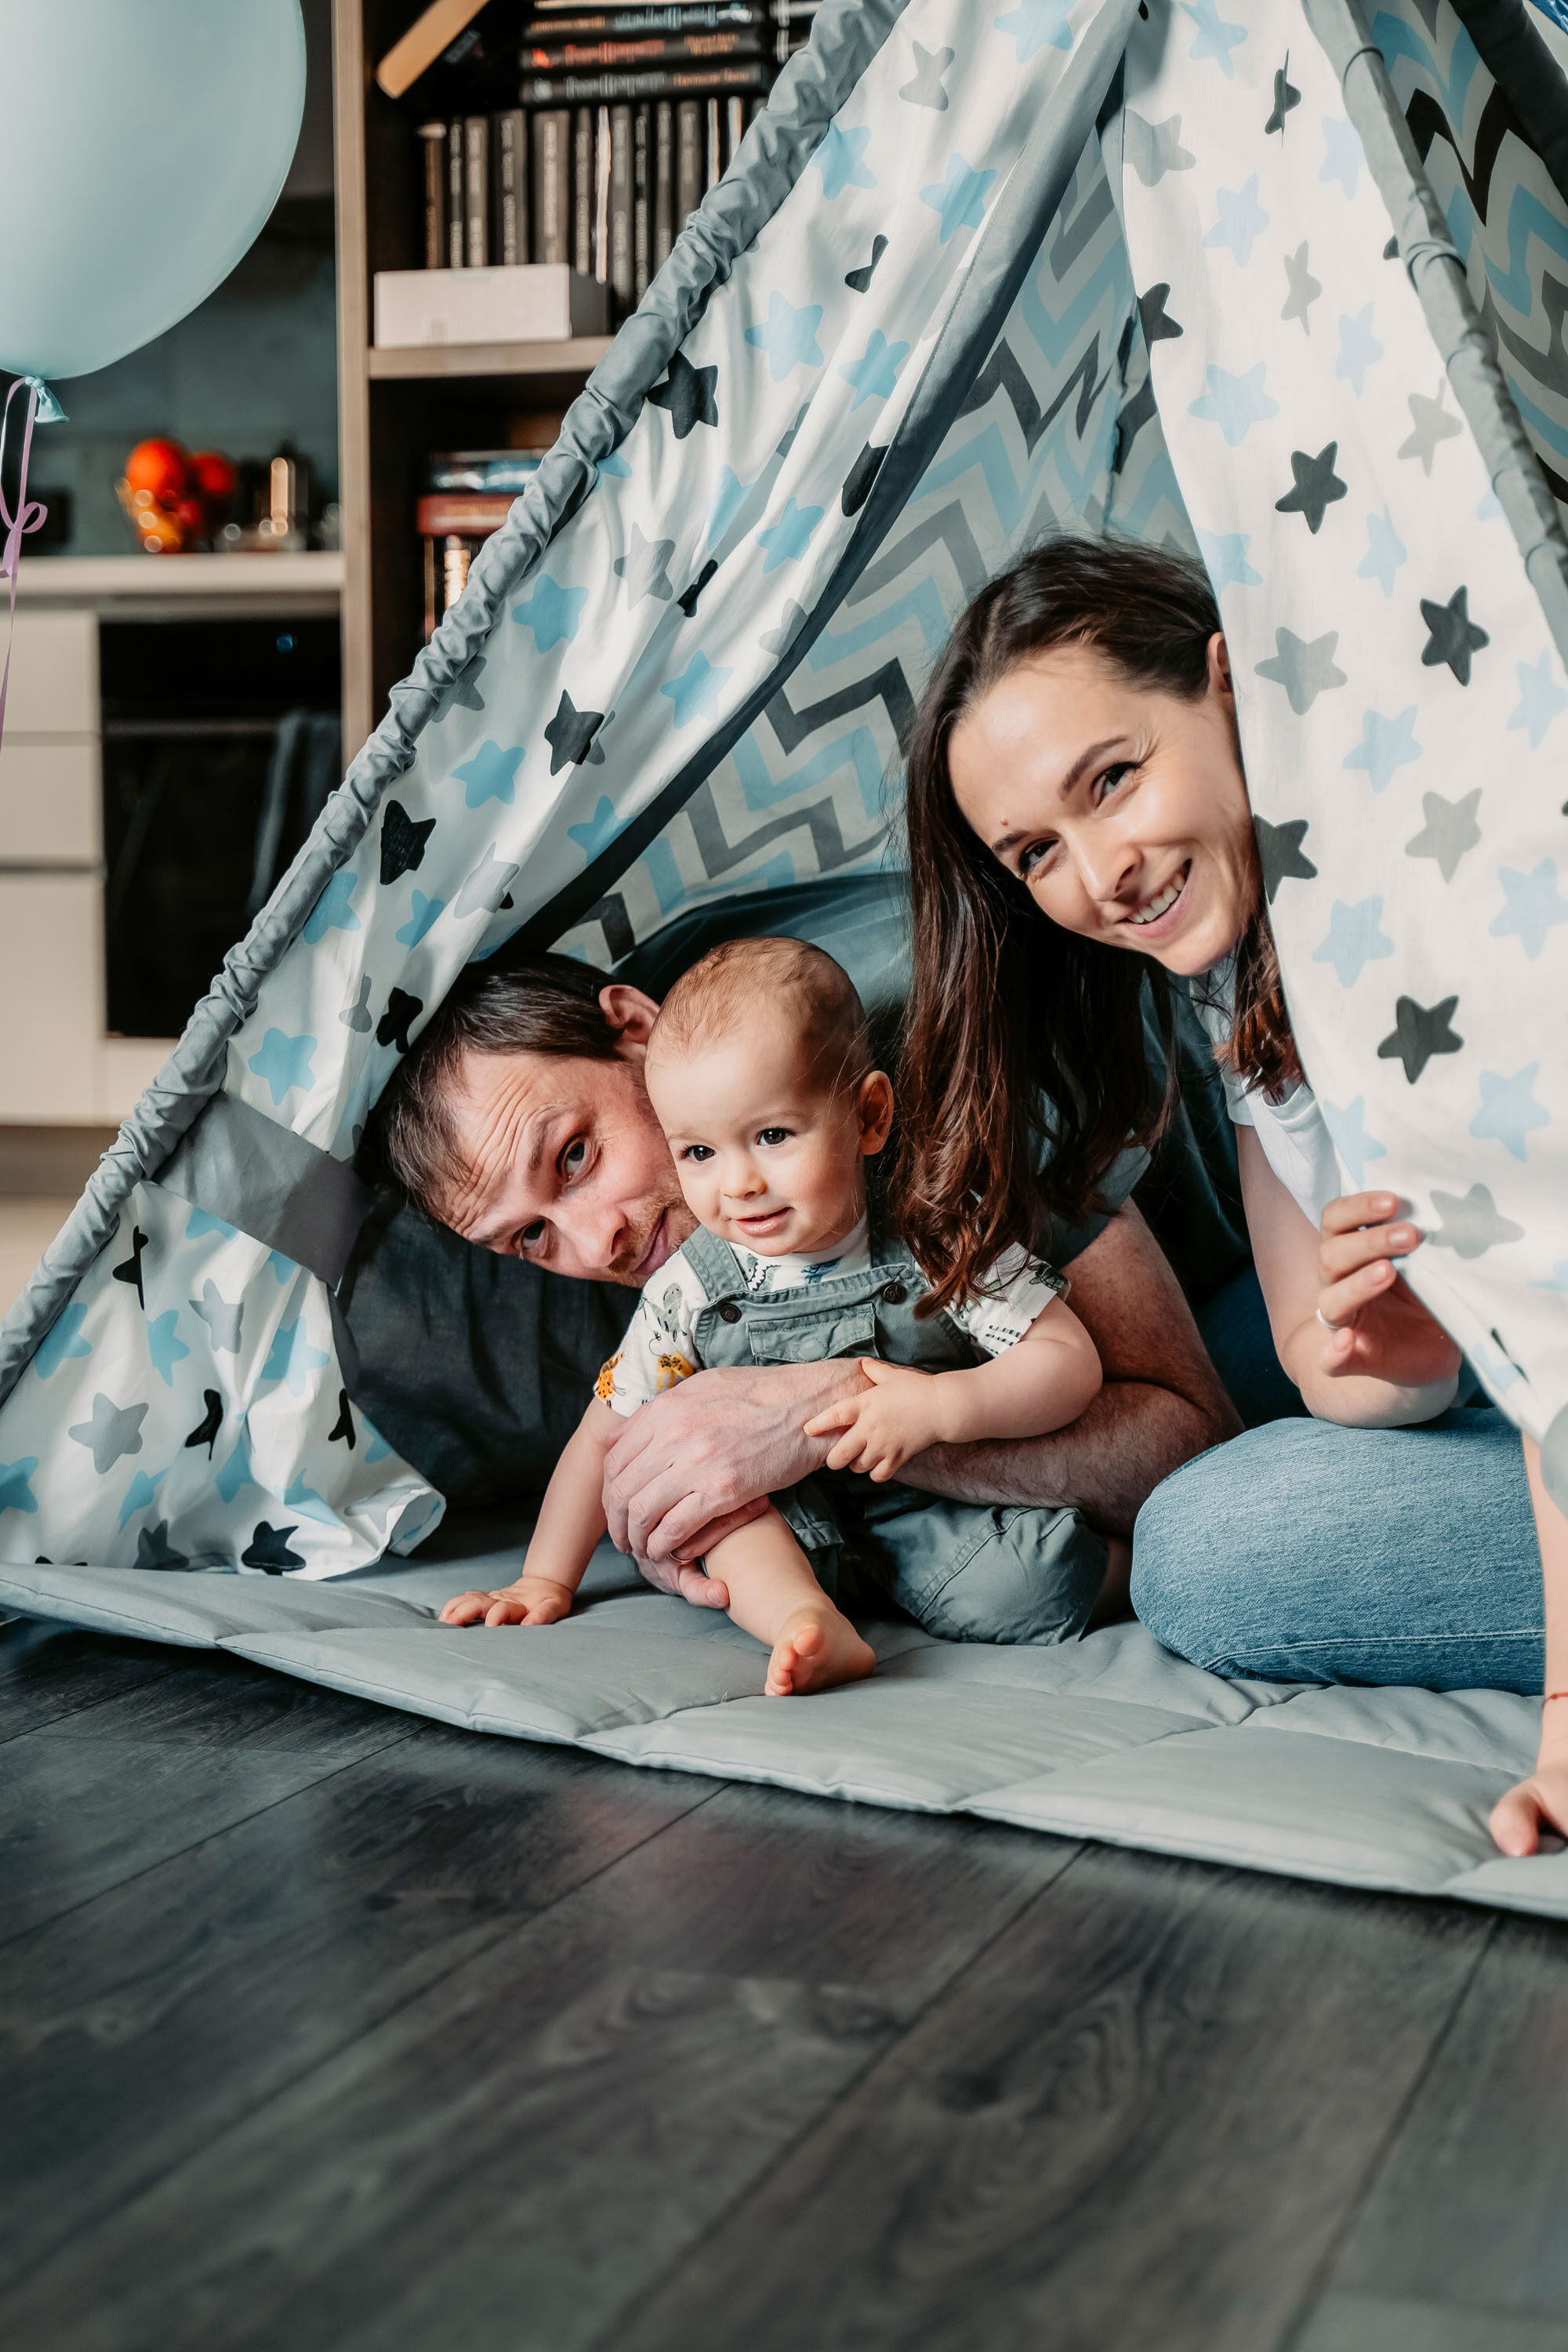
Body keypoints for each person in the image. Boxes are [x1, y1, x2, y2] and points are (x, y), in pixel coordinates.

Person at [893, 533, 1566, 1858]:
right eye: (1036, 852)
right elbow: (1330, 1353)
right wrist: (1407, 1357)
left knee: (1208, 1549)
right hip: (1520, 1354)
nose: (1102, 875)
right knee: (1243, 1376)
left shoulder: (1450, 908)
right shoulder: (1241, 971)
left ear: (1233, 688)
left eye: (1114, 779)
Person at [369, 896, 1245, 1642]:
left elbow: (1197, 1457)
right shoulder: (688, 1266)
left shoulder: (944, 1072)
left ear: (636, 1030)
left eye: (573, 1157)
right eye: (530, 1237)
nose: (597, 1246)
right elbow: (609, 1437)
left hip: (1239, 1240)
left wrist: (822, 1414)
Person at [435, 938, 1109, 1686]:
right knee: (722, 1523)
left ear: (870, 1116)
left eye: (773, 1136)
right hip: (789, 1527)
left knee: (1025, 1586)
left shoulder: (935, 1232)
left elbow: (1067, 1361)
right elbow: (602, 1437)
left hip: (930, 1514)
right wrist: (543, 1579)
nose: (739, 1185)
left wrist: (946, 1405)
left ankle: (1124, 1568)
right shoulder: (688, 1289)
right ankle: (803, 1620)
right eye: (699, 1153)